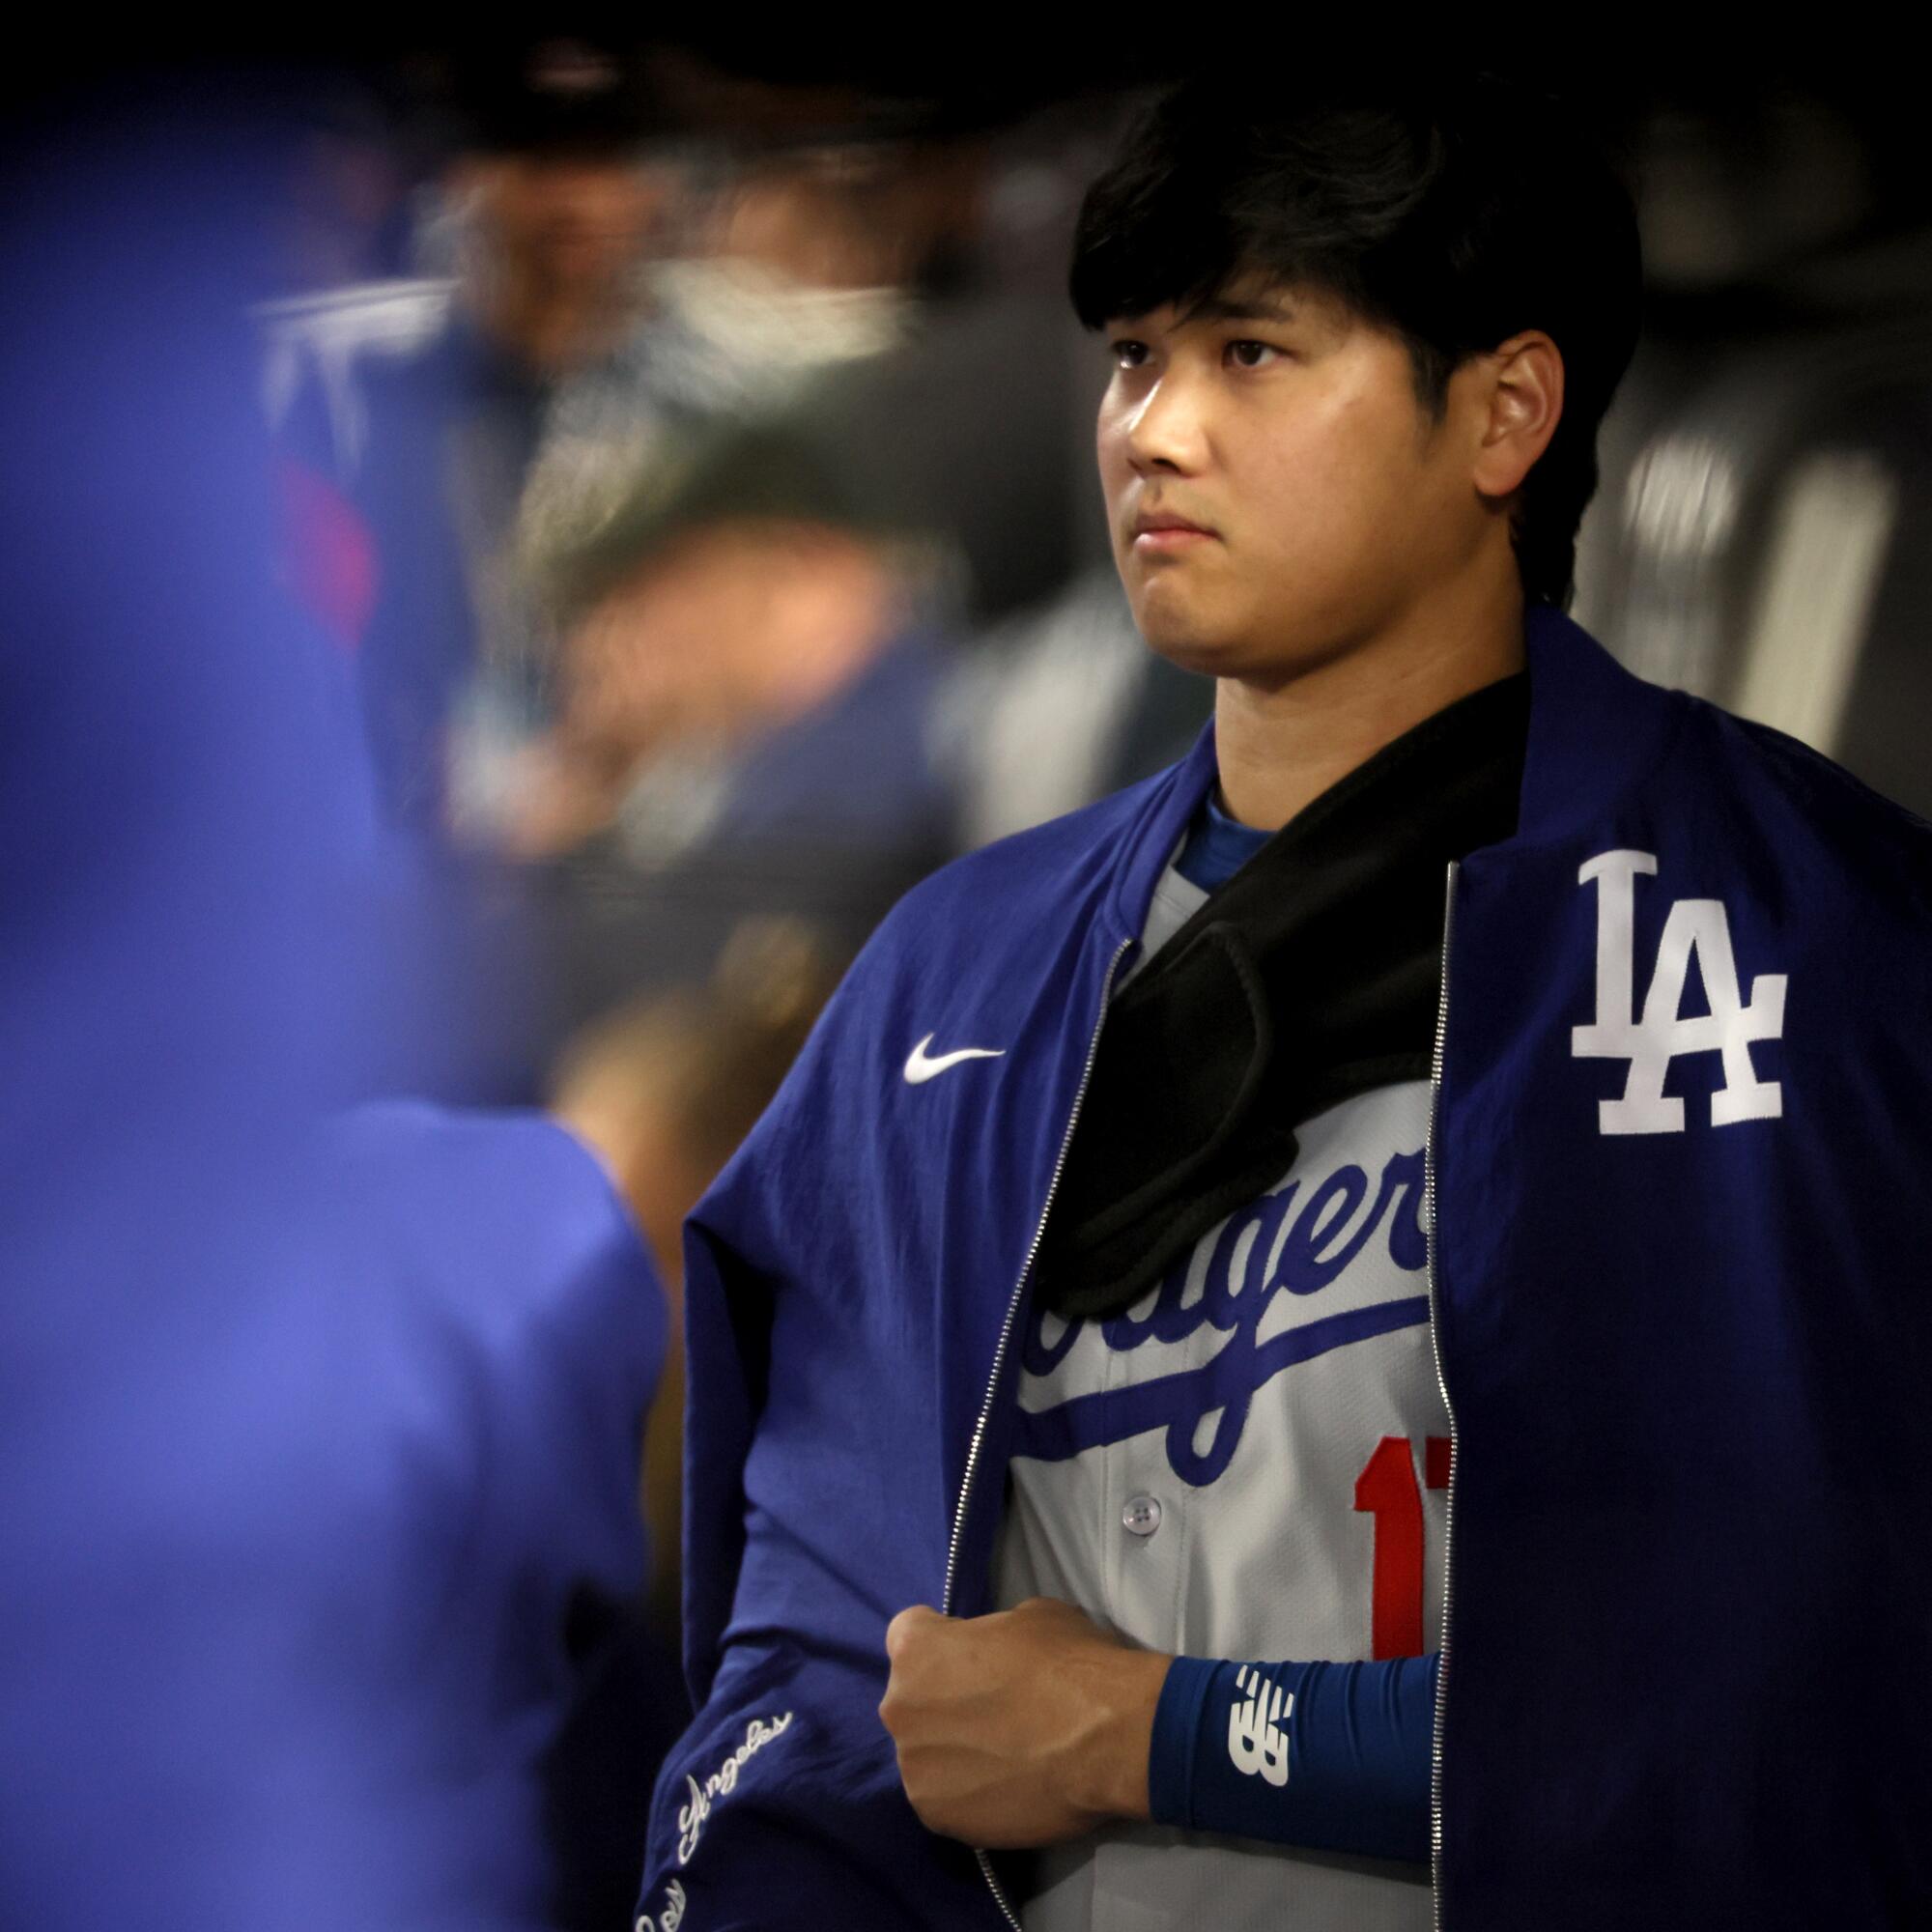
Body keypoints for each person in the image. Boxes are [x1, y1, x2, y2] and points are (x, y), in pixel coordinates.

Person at [634, 69, 1932, 1932]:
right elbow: (822, 1691)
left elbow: (1806, 1715)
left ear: (1504, 413)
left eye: (1251, 353)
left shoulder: (1828, 944)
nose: (1154, 431)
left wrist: (1152, 1735)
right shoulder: (954, 970)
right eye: (1134, 357)